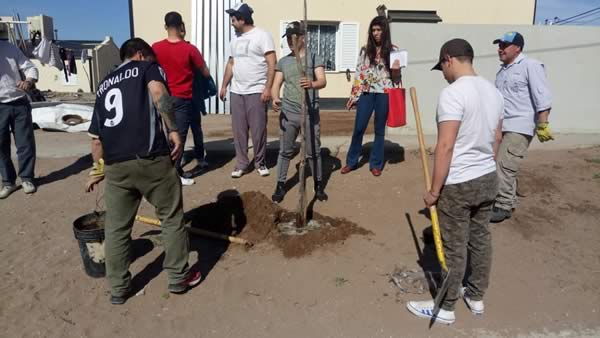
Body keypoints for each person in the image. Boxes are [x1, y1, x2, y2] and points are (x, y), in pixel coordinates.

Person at [85, 38, 200, 305]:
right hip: (151, 159)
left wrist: (97, 169)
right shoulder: (147, 68)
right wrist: (173, 130)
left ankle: (118, 288)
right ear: (139, 54)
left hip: (115, 167)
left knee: (116, 228)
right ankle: (178, 278)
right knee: (171, 217)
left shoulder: (103, 85)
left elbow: (95, 139)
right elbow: (159, 94)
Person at [406, 39, 504, 325]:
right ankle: (476, 297)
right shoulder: (494, 92)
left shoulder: (453, 93)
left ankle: (445, 308)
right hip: (487, 176)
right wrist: (485, 165)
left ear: (449, 59)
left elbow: (446, 146)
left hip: (459, 182)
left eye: (442, 68)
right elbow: (497, 138)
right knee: (481, 239)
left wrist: (434, 192)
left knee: (454, 245)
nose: (443, 74)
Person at [490, 31, 553, 223]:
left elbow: (542, 96)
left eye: (505, 45)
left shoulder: (530, 66)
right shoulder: (502, 72)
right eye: (499, 44)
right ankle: (507, 197)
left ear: (517, 47)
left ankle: (503, 206)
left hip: (520, 125)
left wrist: (543, 123)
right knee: (500, 163)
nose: (500, 48)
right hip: (503, 125)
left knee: (504, 165)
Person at [270, 21, 328, 203]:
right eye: (287, 37)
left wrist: (311, 84)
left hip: (310, 113)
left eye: (293, 37)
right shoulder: (284, 61)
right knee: (285, 151)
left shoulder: (313, 58)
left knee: (313, 152)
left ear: (302, 38)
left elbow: (322, 81)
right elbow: (276, 84)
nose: (289, 41)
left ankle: (318, 185)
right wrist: (275, 98)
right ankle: (280, 184)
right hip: (289, 113)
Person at [153, 11, 211, 186]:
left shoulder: (155, 48)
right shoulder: (190, 49)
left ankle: (181, 165)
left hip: (164, 97)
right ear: (181, 26)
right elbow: (205, 73)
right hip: (183, 98)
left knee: (171, 134)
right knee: (180, 136)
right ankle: (174, 175)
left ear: (165, 26)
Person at [220, 3, 276, 178]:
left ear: (243, 19)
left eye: (234, 19)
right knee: (239, 130)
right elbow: (231, 63)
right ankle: (242, 163)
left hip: (257, 90)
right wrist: (224, 85)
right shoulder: (235, 39)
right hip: (237, 91)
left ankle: (260, 162)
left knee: (258, 129)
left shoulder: (262, 35)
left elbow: (272, 62)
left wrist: (268, 88)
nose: (231, 22)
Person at [341, 16, 401, 177]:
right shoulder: (364, 50)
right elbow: (359, 73)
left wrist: (396, 70)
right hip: (366, 92)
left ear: (385, 31)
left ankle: (376, 164)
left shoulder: (394, 51)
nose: (376, 33)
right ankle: (351, 162)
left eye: (379, 29)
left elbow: (396, 79)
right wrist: (354, 96)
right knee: (359, 128)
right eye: (373, 30)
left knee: (379, 130)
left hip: (385, 94)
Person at [0, 40, 39, 199]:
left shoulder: (9, 48)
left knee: (25, 143)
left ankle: (27, 178)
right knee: (0, 146)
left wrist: (28, 81)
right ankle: (8, 181)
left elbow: (30, 67)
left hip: (19, 102)